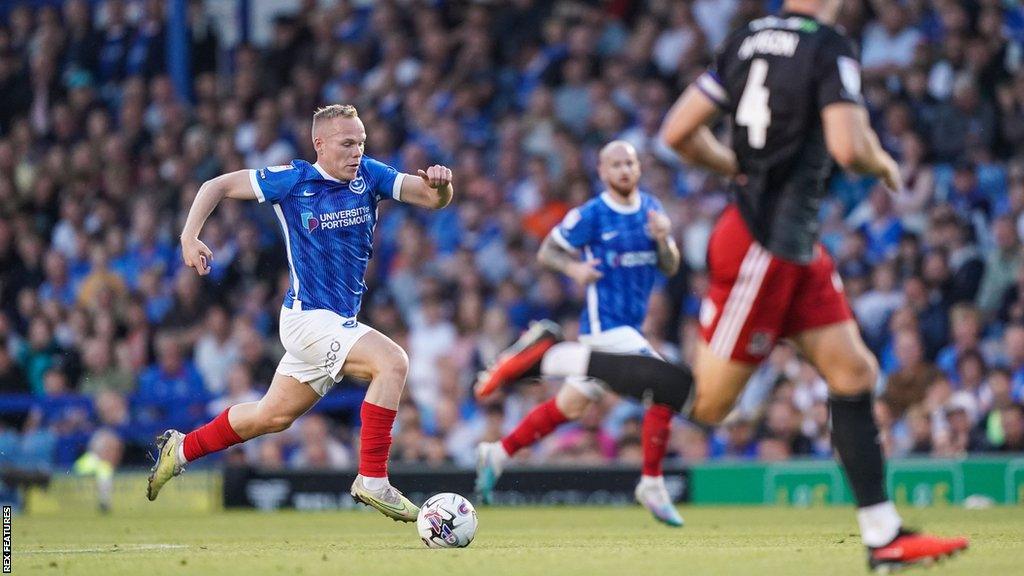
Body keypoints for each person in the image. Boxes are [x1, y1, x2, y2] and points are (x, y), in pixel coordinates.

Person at [476, 1, 968, 571]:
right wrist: (881, 162)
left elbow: (679, 132)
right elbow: (848, 147)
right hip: (766, 243)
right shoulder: (828, 45)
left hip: (792, 245)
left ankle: (883, 536)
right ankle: (552, 356)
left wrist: (737, 165)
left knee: (853, 371)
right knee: (708, 402)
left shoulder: (746, 39)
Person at [146, 104, 454, 523]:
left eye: (361, 143)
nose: (357, 152)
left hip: (334, 324)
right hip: (308, 319)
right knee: (392, 361)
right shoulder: (292, 181)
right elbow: (215, 185)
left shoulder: (371, 177)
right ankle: (373, 479)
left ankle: (180, 449)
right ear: (320, 144)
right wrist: (189, 237)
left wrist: (441, 185)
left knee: (271, 416)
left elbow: (432, 200)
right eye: (347, 144)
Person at [474, 140, 684, 526]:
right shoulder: (592, 214)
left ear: (638, 169)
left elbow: (669, 267)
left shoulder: (653, 210)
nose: (624, 170)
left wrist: (665, 240)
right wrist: (574, 270)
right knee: (666, 385)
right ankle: (652, 483)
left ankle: (499, 453)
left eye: (630, 163)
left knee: (569, 406)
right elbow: (548, 252)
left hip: (625, 331)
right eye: (616, 164)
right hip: (605, 328)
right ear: (602, 172)